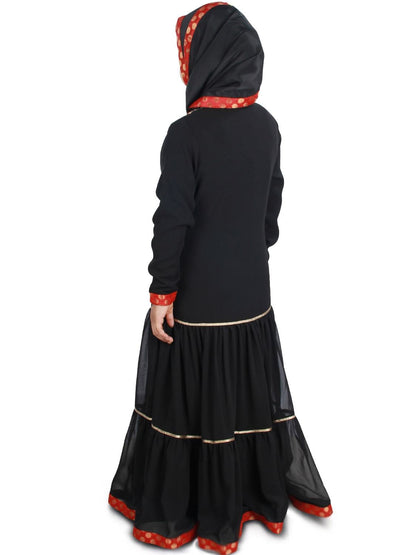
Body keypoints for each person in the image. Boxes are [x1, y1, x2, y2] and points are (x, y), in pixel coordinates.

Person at [108, 3, 333, 553]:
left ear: (208, 58)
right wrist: (250, 247)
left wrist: (162, 292)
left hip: (199, 295)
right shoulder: (267, 125)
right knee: (244, 388)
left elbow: (172, 219)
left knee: (191, 390)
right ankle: (251, 493)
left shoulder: (185, 134)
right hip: (252, 289)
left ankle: (190, 503)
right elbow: (271, 210)